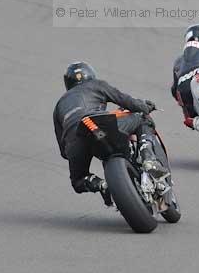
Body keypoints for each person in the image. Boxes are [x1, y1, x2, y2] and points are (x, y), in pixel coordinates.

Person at [54, 62, 166, 204]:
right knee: (143, 118)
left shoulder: (59, 104)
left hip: (75, 140)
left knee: (78, 181)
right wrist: (144, 107)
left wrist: (76, 150)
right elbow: (125, 101)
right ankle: (148, 159)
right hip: (100, 126)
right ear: (90, 75)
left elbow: (63, 152)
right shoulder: (96, 85)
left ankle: (101, 185)